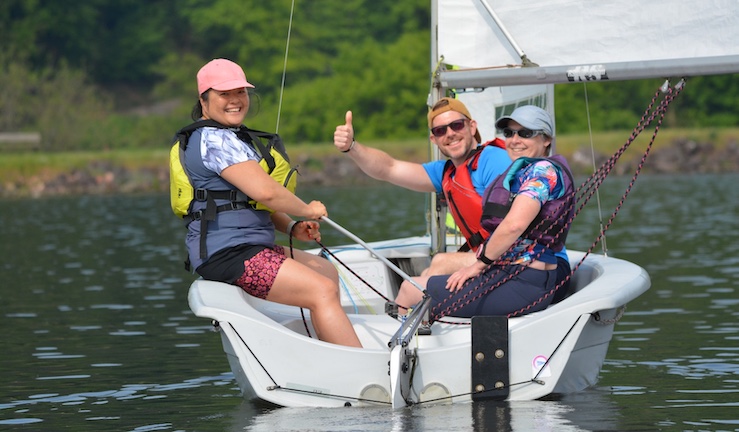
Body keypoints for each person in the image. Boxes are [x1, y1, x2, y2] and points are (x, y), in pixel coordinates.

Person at [178, 58, 361, 347]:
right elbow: (267, 193)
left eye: (240, 92)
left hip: (248, 247)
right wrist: (308, 210)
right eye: (224, 94)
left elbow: (249, 202)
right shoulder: (214, 140)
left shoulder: (229, 137)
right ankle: (357, 367)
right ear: (203, 99)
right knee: (321, 290)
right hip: (229, 254)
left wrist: (291, 227)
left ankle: (328, 348)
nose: (235, 100)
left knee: (324, 270)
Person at [394, 105, 575, 318]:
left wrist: (478, 265)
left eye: (525, 133)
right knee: (421, 283)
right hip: (515, 276)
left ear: (546, 139)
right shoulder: (523, 172)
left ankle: (395, 347)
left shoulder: (542, 172)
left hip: (524, 283)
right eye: (509, 133)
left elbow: (514, 225)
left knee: (410, 290)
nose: (515, 140)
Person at [333, 97, 512, 280]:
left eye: (457, 125)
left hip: (511, 257)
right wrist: (352, 147)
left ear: (472, 127)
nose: (450, 133)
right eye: (441, 130)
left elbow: (514, 225)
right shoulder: (445, 173)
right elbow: (389, 168)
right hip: (487, 256)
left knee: (438, 264)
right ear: (433, 139)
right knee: (424, 275)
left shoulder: (493, 159)